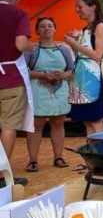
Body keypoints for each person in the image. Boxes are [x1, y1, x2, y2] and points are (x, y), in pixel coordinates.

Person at [24, 17, 74, 172]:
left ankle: (58, 157)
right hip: (38, 90)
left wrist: (63, 75)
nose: (47, 28)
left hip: (59, 90)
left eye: (50, 26)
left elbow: (72, 70)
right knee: (36, 125)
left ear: (55, 29)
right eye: (43, 26)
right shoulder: (31, 49)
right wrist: (41, 75)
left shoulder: (64, 49)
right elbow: (24, 70)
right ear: (37, 31)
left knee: (58, 124)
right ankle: (33, 160)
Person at [0, 0, 34, 166]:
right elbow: (21, 44)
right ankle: (1, 172)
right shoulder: (19, 13)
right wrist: (31, 47)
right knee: (9, 126)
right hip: (11, 78)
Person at [64, 0, 103, 136]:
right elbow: (82, 54)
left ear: (92, 7)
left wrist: (75, 44)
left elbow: (97, 55)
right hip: (80, 78)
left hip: (91, 79)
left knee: (95, 120)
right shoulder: (85, 29)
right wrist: (75, 43)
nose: (77, 10)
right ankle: (92, 153)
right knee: (87, 121)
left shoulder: (100, 26)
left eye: (80, 6)